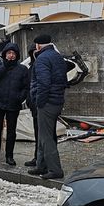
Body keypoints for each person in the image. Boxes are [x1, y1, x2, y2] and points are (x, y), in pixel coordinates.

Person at [28, 34, 67, 180]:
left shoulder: (42, 59)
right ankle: (41, 165)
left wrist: (39, 101)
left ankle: (55, 170)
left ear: (38, 46)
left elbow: (44, 83)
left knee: (46, 137)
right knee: (46, 134)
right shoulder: (57, 57)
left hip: (47, 102)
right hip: (57, 100)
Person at [0, 42, 29, 167]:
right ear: (4, 54)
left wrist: (20, 98)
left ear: (17, 55)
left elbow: (26, 87)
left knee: (11, 132)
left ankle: (9, 156)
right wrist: (5, 66)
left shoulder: (22, 69)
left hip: (13, 104)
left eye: (13, 53)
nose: (11, 56)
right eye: (9, 53)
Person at [23, 44, 42, 168]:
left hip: (41, 104)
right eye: (33, 52)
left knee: (42, 134)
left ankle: (40, 159)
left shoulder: (41, 65)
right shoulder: (31, 67)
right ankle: (37, 157)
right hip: (34, 104)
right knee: (37, 133)